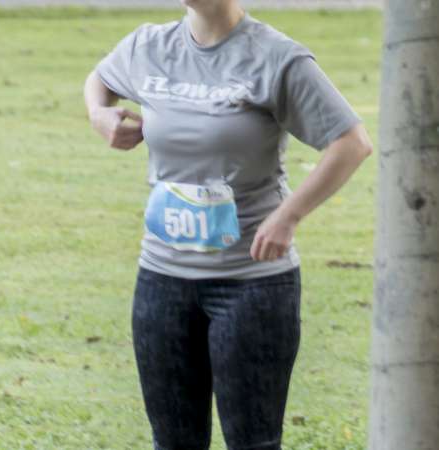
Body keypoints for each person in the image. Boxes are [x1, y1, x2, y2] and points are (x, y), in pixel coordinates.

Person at [83, 1, 373, 449]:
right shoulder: (148, 46)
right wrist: (100, 114)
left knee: (252, 443)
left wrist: (288, 215)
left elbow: (351, 143)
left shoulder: (277, 57)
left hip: (252, 286)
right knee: (173, 441)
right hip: (161, 281)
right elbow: (99, 80)